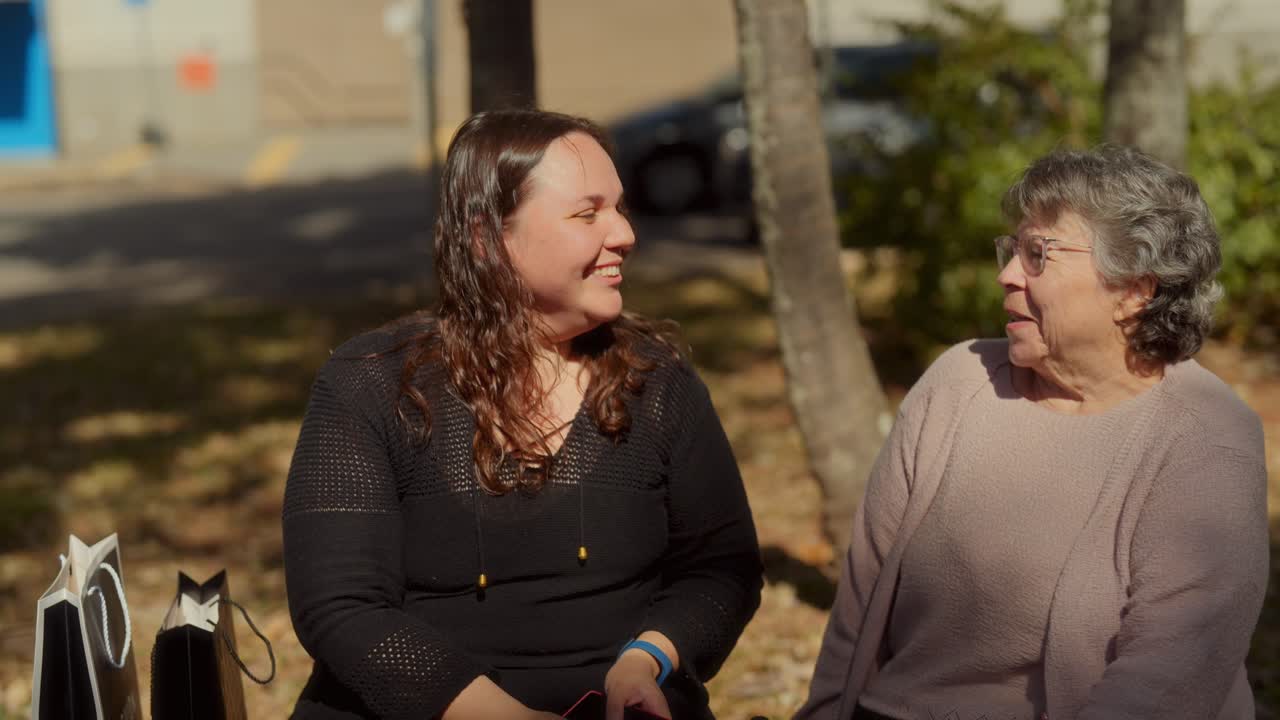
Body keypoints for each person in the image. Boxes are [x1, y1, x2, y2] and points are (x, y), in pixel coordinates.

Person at [282, 109, 763, 720]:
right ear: (487, 239)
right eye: (587, 214)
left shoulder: (657, 382)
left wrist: (649, 658)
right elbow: (341, 608)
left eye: (618, 207)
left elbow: (722, 571)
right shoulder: (373, 383)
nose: (623, 233)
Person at [797, 145, 1268, 720]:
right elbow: (860, 601)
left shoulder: (1204, 438)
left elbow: (1168, 678)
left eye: (1037, 254)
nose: (1006, 274)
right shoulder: (957, 382)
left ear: (1133, 291)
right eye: (1011, 250)